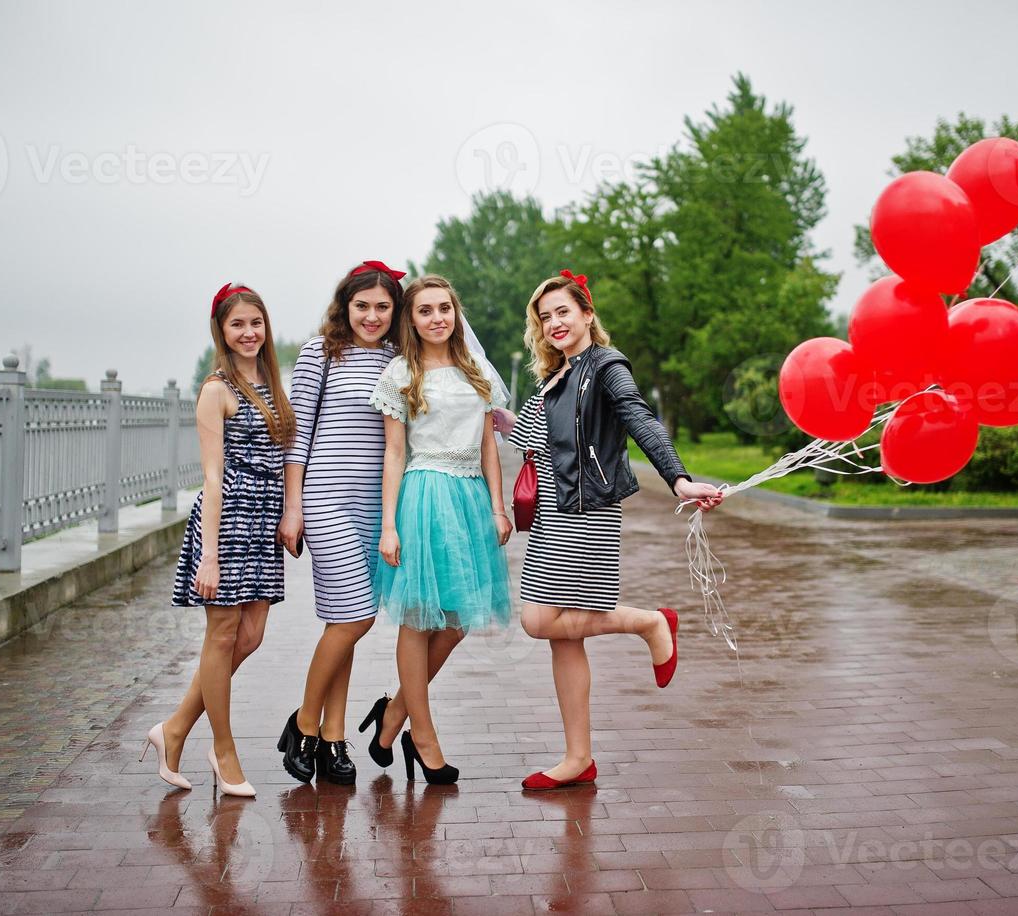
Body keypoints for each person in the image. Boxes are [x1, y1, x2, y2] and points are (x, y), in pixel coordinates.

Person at [499, 270, 722, 790]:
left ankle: (649, 622)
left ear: (587, 315)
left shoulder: (604, 365)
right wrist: (484, 411)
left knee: (538, 621)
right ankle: (578, 757)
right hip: (555, 511)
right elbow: (528, 434)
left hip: (587, 511)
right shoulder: (556, 376)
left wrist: (678, 477)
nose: (554, 322)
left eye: (563, 312)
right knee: (559, 636)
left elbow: (639, 418)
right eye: (545, 316)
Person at [145, 282, 296, 798]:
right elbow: (212, 477)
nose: (248, 332)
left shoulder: (275, 385)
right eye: (238, 325)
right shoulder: (216, 390)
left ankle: (174, 728)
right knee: (223, 634)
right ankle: (223, 749)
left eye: (256, 322)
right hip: (229, 519)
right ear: (222, 332)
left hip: (263, 521)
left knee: (250, 636)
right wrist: (207, 557)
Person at [360, 275, 512, 784]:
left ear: (455, 312)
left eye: (444, 308)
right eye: (424, 311)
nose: (436, 318)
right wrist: (388, 525)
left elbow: (489, 445)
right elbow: (394, 452)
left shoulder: (476, 371)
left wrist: (497, 506)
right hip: (422, 495)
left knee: (458, 617)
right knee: (419, 615)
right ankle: (423, 739)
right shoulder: (402, 372)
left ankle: (395, 715)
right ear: (412, 319)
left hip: (470, 497)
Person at [276, 261, 403, 785]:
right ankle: (304, 724)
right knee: (356, 617)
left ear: (394, 312)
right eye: (362, 306)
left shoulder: (401, 358)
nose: (371, 316)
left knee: (341, 623)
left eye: (382, 307)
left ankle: (333, 738)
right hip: (326, 499)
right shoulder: (319, 353)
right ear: (345, 307)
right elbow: (296, 434)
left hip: (377, 506)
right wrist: (293, 506)